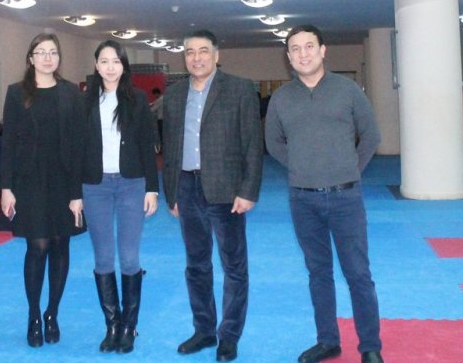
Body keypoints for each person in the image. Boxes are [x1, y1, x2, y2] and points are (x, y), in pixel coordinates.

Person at [264, 24, 383, 363]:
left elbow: (371, 135)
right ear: (288, 56)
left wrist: (350, 168)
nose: (303, 54)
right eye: (295, 48)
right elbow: (273, 143)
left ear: (322, 50)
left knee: (358, 274)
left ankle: (370, 346)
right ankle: (328, 341)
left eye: (309, 46)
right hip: (303, 200)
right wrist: (302, 166)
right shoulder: (281, 98)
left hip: (346, 197)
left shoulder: (347, 89)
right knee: (318, 273)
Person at [162, 29, 263, 363]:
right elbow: (170, 147)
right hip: (186, 187)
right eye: (190, 52)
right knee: (196, 265)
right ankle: (204, 330)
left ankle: (229, 336)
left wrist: (248, 190)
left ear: (216, 55)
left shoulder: (239, 89)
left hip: (226, 191)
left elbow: (252, 144)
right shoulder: (174, 95)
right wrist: (171, 192)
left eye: (203, 51)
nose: (197, 58)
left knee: (234, 267)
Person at [0, 32, 87, 347]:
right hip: (29, 181)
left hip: (63, 180)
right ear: (31, 58)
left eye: (53, 52)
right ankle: (34, 315)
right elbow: (8, 144)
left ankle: (52, 313)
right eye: (41, 52)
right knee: (37, 247)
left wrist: (77, 194)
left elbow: (78, 145)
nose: (48, 58)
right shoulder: (16, 93)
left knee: (61, 245)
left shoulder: (71, 93)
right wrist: (6, 187)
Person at [82, 39, 159, 354]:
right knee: (102, 258)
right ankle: (112, 325)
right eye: (104, 61)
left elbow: (147, 145)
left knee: (129, 257)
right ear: (96, 65)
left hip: (131, 183)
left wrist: (152, 188)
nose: (110, 67)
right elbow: (75, 148)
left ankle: (129, 326)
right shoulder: (86, 100)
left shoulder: (137, 99)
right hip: (95, 185)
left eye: (116, 61)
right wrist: (74, 193)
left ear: (123, 65)